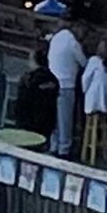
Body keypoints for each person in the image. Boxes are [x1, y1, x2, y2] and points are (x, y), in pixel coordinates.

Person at [46, 14, 86, 155]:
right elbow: (83, 62)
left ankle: (53, 146)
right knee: (65, 119)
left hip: (52, 82)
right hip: (66, 84)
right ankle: (64, 149)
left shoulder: (56, 37)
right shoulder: (72, 42)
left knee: (54, 118)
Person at [80, 46, 107, 164]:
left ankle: (88, 156)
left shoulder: (94, 61)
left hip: (93, 103)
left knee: (91, 123)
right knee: (106, 125)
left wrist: (84, 92)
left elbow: (85, 79)